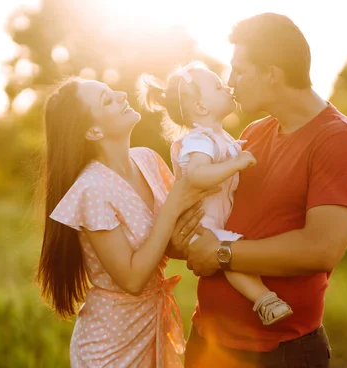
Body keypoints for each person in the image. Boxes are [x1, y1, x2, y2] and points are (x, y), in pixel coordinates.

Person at [183, 13, 347, 367]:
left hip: (278, 353)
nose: (230, 82)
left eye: (239, 71)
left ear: (271, 74)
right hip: (206, 344)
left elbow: (321, 248)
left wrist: (222, 254)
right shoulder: (253, 134)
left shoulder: (341, 140)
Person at [37, 77, 217, 367]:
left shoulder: (147, 160)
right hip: (110, 343)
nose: (121, 95)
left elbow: (166, 242)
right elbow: (133, 279)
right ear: (93, 130)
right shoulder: (92, 189)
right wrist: (173, 208)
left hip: (152, 324)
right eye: (107, 99)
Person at [138, 61, 293, 326]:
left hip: (214, 221)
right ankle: (264, 300)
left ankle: (263, 298)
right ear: (201, 107)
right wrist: (236, 163)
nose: (228, 87)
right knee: (233, 255)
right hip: (201, 226)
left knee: (236, 253)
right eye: (219, 86)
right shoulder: (199, 140)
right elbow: (196, 176)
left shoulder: (222, 138)